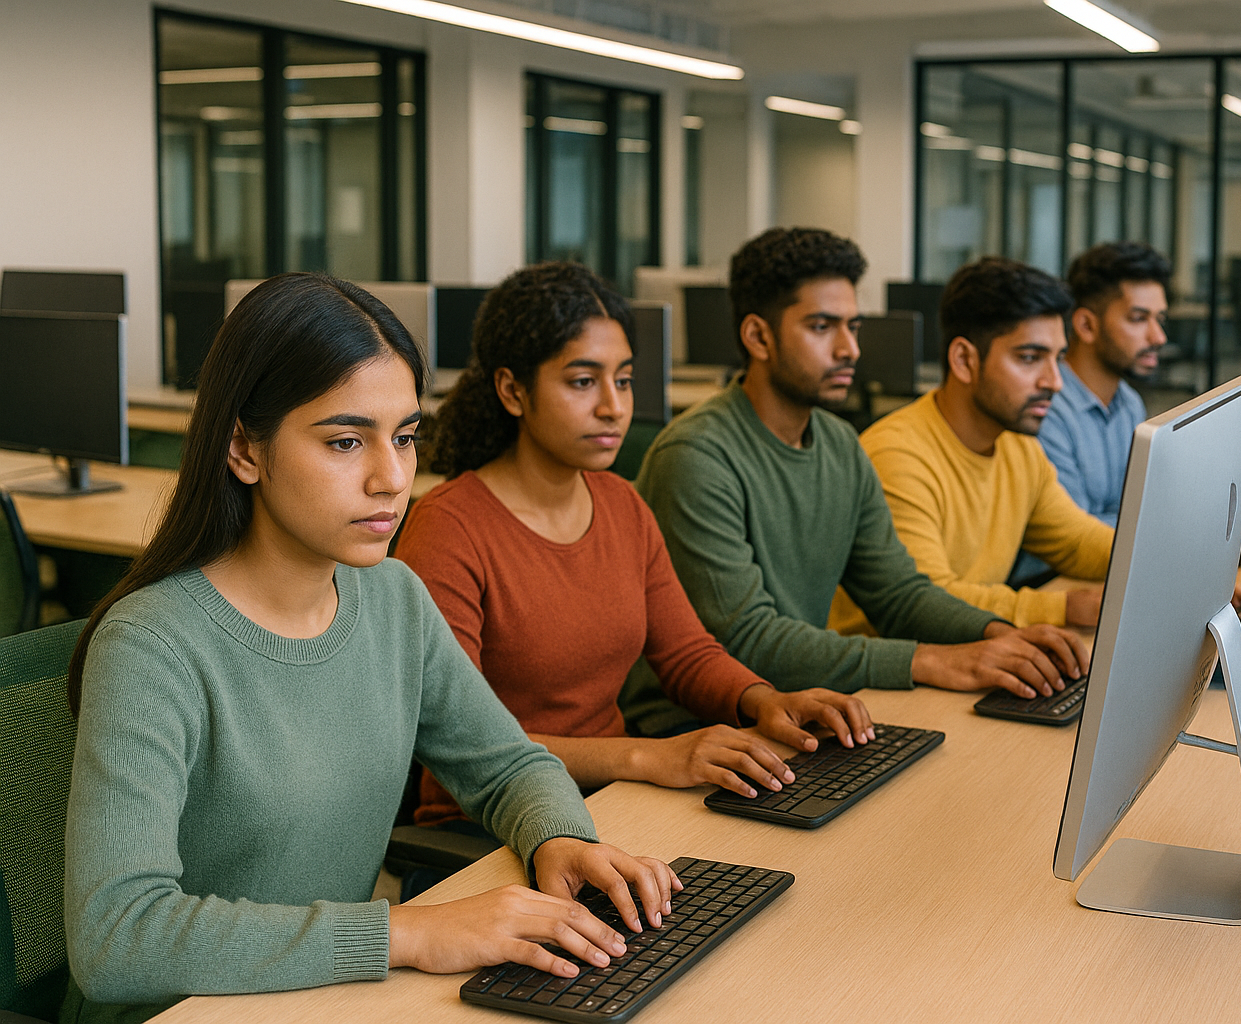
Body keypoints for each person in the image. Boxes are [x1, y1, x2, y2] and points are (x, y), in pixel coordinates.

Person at [62, 273, 678, 1024]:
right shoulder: (152, 645)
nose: (392, 478)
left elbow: (508, 765)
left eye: (407, 436)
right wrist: (408, 931)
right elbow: (117, 937)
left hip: (334, 998)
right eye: (346, 440)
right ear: (243, 448)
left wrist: (559, 837)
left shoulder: (393, 598)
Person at [395, 262, 873, 822]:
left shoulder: (622, 504)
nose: (613, 406)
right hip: (488, 828)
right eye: (582, 381)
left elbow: (685, 654)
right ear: (512, 391)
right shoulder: (450, 528)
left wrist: (766, 701)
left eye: (622, 379)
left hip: (616, 803)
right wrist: (648, 756)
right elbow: (470, 743)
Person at [631, 227, 1087, 711]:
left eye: (854, 327)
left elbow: (897, 592)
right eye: (823, 327)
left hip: (803, 710)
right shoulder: (696, 456)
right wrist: (932, 661)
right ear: (758, 337)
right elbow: (747, 640)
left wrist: (1001, 634)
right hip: (693, 730)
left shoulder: (839, 444)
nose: (850, 349)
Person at [828, 257, 1114, 637]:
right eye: (1029, 358)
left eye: (1057, 358)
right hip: (887, 676)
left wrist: (1178, 562)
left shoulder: (1018, 447)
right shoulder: (897, 455)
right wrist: (1062, 607)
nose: (1054, 381)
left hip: (971, 649)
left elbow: (1078, 542)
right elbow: (926, 601)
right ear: (964, 360)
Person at [1036, 241, 1241, 542]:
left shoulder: (1127, 403)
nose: (1158, 337)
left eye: (1160, 319)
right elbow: (1076, 535)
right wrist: (1206, 525)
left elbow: (1143, 507)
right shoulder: (1044, 413)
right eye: (1138, 319)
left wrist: (1228, 509)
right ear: (1086, 326)